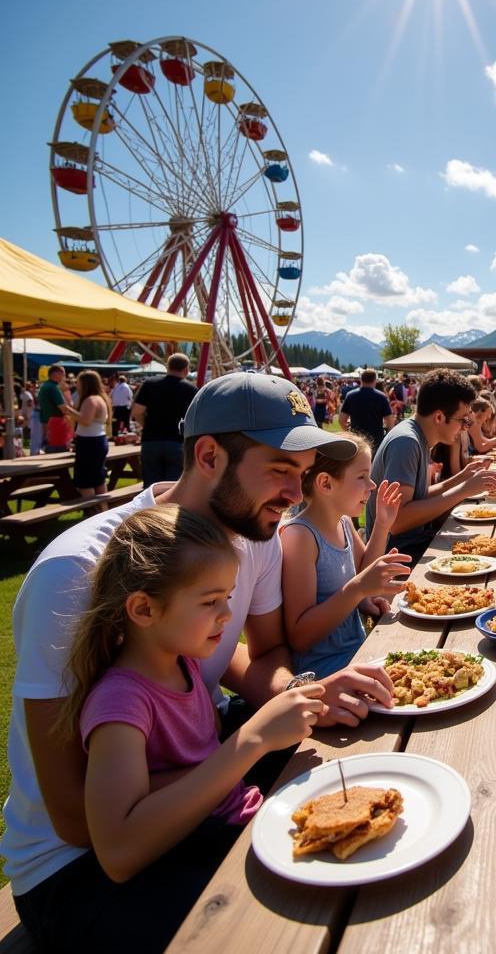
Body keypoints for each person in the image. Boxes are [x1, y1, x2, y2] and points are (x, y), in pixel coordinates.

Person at [1, 372, 396, 951]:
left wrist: (305, 691)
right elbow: (74, 815)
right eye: (281, 471)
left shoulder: (253, 539)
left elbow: (257, 655)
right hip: (74, 871)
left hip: (196, 781)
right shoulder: (77, 571)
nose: (295, 493)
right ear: (209, 455)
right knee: (290, 923)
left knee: (369, 794)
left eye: (304, 474)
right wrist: (241, 751)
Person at [48, 504, 324, 951]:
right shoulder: (121, 703)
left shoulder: (184, 662)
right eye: (210, 601)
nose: (226, 613)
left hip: (231, 820)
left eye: (228, 596)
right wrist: (251, 740)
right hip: (192, 855)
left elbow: (187, 768)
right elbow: (118, 851)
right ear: (143, 609)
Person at [281, 436, 409, 676]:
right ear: (326, 484)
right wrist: (358, 591)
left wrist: (382, 526)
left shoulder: (343, 523)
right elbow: (300, 636)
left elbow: (363, 572)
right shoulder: (300, 537)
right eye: (361, 477)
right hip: (324, 670)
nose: (371, 485)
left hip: (357, 652)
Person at [364, 368, 496, 565]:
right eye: (462, 420)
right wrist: (463, 490)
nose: (465, 427)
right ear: (439, 417)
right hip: (398, 557)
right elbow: (397, 520)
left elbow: (417, 498)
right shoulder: (406, 442)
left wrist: (461, 477)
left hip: (412, 546)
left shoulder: (415, 436)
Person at [131, 353, 198, 488]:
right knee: (173, 488)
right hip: (177, 442)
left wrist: (147, 425)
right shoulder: (191, 389)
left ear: (167, 367)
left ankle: (151, 509)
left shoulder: (149, 384)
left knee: (151, 489)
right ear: (186, 369)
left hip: (151, 440)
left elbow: (137, 411)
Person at [61, 369, 111, 499]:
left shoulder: (90, 400)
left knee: (85, 481)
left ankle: (91, 512)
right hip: (97, 440)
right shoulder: (100, 398)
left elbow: (85, 420)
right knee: (98, 479)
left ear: (85, 384)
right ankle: (102, 510)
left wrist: (69, 411)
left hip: (89, 443)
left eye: (78, 382)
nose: (76, 385)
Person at [339, 369, 395, 452]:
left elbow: (341, 420)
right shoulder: (381, 397)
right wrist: (388, 436)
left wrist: (349, 432)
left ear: (361, 379)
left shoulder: (351, 396)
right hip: (376, 439)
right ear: (374, 380)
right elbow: (390, 421)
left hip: (357, 439)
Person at [38, 364, 72, 453]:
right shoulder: (53, 387)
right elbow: (63, 407)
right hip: (55, 423)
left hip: (47, 420)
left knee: (50, 445)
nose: (65, 377)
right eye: (63, 374)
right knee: (58, 449)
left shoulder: (46, 385)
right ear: (56, 374)